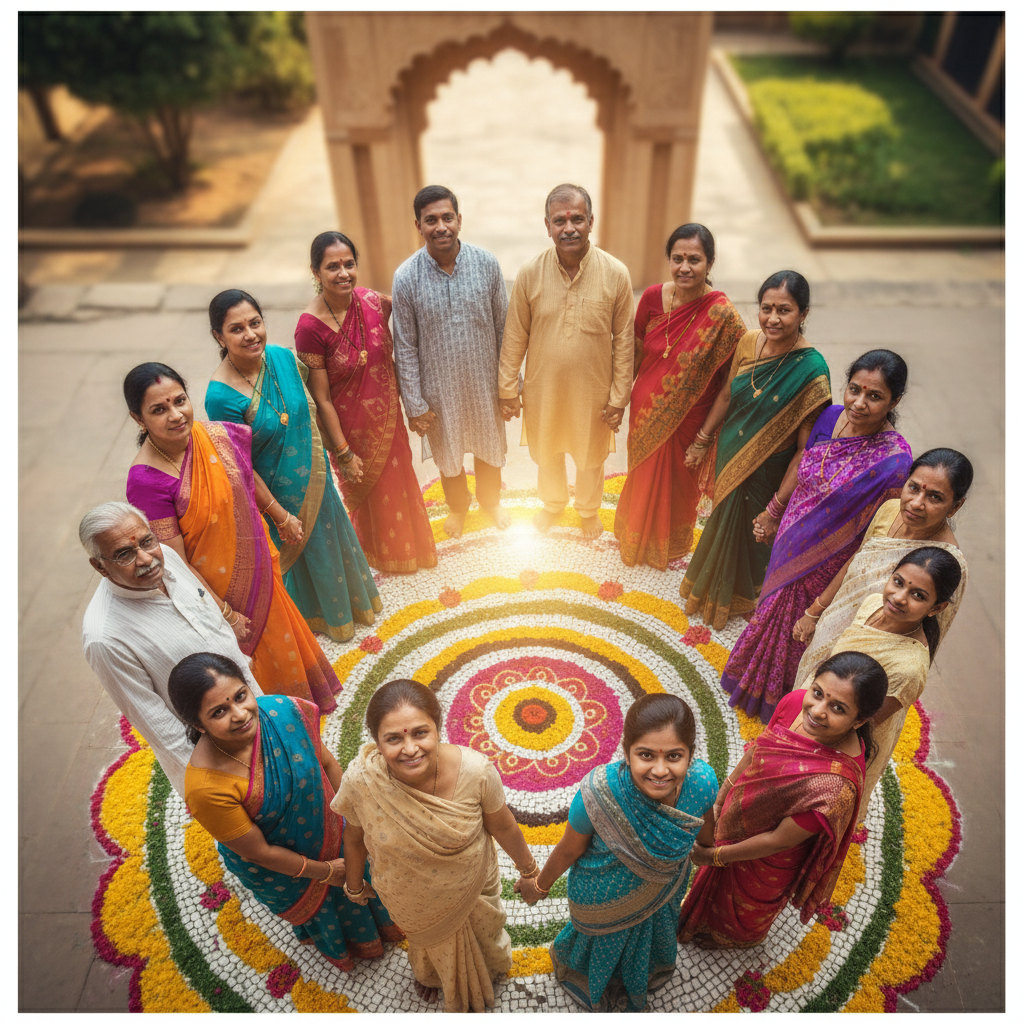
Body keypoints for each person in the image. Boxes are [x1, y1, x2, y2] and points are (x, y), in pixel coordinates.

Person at [123, 363, 341, 713]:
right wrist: (227, 613)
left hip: (259, 571)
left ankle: (301, 714)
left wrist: (279, 514)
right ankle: (271, 727)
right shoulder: (146, 480)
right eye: (159, 410)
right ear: (138, 418)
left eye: (180, 400)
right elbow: (173, 563)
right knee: (249, 680)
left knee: (283, 645)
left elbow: (244, 475)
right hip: (216, 596)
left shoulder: (211, 435)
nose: (177, 415)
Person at [168, 653, 404, 971]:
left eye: (241, 696)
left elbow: (328, 764)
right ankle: (352, 947)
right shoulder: (207, 787)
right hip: (287, 868)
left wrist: (358, 821)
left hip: (336, 830)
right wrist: (324, 871)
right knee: (331, 906)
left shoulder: (283, 712)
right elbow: (260, 852)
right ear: (199, 724)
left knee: (363, 876)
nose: (240, 714)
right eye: (219, 711)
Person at [720, 350, 914, 723]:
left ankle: (779, 706)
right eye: (854, 389)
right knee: (769, 613)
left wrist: (818, 608)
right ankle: (747, 682)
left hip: (826, 565)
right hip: (790, 540)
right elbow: (802, 462)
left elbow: (873, 541)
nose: (859, 403)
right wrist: (774, 512)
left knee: (795, 634)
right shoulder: (829, 417)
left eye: (874, 396)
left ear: (895, 401)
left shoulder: (894, 462)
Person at [332, 679, 539, 1012]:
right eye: (393, 739)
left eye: (420, 733)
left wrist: (529, 871)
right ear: (377, 742)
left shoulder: (476, 771)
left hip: (473, 887)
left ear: (438, 729)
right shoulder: (363, 781)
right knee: (426, 944)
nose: (410, 749)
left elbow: (502, 824)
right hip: (410, 896)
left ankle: (489, 969)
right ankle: (431, 975)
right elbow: (355, 838)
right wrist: (354, 886)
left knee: (485, 936)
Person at [516, 693, 717, 1012]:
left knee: (653, 933)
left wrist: (710, 850)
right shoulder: (599, 794)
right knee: (604, 946)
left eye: (674, 756)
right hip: (603, 897)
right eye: (646, 755)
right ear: (626, 753)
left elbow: (705, 822)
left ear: (690, 755)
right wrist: (539, 886)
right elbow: (569, 849)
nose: (661, 770)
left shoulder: (702, 783)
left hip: (665, 890)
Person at [204, 288, 382, 642]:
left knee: (330, 541)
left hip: (318, 480)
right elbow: (238, 468)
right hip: (276, 501)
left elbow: (313, 408)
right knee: (302, 560)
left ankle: (350, 609)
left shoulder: (283, 360)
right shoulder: (221, 397)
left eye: (255, 323)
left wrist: (343, 455)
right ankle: (316, 621)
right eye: (237, 329)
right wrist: (279, 514)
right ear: (218, 336)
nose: (251, 334)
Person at [677, 651, 888, 949]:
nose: (816, 711)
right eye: (817, 693)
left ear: (859, 721)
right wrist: (721, 797)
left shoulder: (834, 787)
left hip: (767, 859)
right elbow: (757, 749)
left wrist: (714, 857)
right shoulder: (793, 704)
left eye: (837, 708)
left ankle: (732, 938)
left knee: (742, 909)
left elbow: (778, 840)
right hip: (736, 815)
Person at [678, 271, 833, 627]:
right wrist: (703, 440)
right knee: (721, 522)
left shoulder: (812, 370)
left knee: (749, 536)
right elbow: (727, 393)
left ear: (804, 313)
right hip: (731, 451)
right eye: (766, 308)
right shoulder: (749, 342)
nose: (773, 319)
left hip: (768, 468)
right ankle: (706, 589)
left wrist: (777, 505)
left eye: (785, 310)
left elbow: (805, 449)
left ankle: (738, 598)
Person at [80, 502, 264, 798]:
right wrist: (222, 783)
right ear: (100, 566)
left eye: (146, 541)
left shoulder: (169, 559)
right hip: (221, 760)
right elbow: (160, 727)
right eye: (124, 554)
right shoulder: (105, 636)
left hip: (255, 711)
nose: (145, 559)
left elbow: (213, 627)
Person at [295, 231, 437, 573]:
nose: (343, 273)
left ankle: (412, 551)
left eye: (349, 264)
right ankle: (380, 559)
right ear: (315, 272)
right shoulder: (309, 328)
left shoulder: (374, 302)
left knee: (400, 486)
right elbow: (321, 398)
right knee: (374, 500)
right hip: (351, 434)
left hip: (390, 421)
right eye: (332, 267)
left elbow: (412, 312)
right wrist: (343, 452)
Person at [498, 184, 634, 538]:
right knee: (548, 449)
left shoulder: (616, 273)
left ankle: (588, 510)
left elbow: (624, 342)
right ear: (547, 225)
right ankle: (553, 504)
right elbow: (515, 336)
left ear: (591, 221)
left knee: (591, 455)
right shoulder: (530, 272)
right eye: (560, 220)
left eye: (577, 219)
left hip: (593, 391)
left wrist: (619, 398)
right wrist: (507, 389)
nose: (568, 228)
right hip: (544, 388)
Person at [613, 225, 747, 570]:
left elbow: (731, 381)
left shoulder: (723, 316)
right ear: (669, 260)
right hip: (646, 412)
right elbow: (637, 349)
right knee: (642, 478)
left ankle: (667, 545)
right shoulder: (652, 297)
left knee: (676, 484)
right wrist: (619, 399)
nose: (685, 267)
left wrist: (704, 438)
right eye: (677, 259)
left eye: (694, 259)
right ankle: (634, 538)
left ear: (710, 262)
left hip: (690, 418)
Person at [798, 547, 963, 824]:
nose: (899, 598)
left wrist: (801, 746)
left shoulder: (909, 667)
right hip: (819, 704)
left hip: (836, 740)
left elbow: (861, 726)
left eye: (918, 595)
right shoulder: (873, 603)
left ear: (936, 608)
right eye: (898, 582)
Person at [392, 185, 512, 538]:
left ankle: (491, 503)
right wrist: (414, 405)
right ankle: (458, 509)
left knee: (490, 449)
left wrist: (509, 388)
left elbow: (505, 329)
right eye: (431, 220)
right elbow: (406, 345)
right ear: (418, 225)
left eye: (447, 217)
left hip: (484, 384)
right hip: (438, 393)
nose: (440, 226)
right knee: (449, 455)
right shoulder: (406, 277)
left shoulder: (486, 264)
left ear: (459, 220)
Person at [793, 448, 972, 684]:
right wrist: (815, 612)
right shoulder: (890, 509)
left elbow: (930, 631)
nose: (917, 503)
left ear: (955, 507)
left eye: (935, 497)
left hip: (870, 660)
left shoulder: (948, 561)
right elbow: (857, 560)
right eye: (914, 488)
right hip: (831, 628)